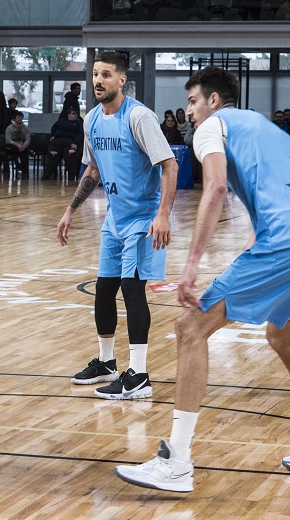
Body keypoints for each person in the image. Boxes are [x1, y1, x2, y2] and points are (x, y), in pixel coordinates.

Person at [115, 65, 290, 492]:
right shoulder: (265, 126)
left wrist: (191, 266)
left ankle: (176, 462)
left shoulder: (214, 127)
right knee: (281, 335)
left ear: (213, 101)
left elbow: (213, 190)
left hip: (283, 243)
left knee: (190, 326)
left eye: (193, 101)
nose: (189, 111)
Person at [57, 51, 178, 400]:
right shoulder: (91, 119)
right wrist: (70, 210)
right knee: (104, 288)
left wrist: (164, 215)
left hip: (143, 218)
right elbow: (93, 170)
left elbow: (169, 166)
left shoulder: (138, 117)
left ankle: (138, 375)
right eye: (95, 74)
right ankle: (107, 363)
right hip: (114, 219)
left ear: (121, 80)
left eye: (106, 75)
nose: (98, 80)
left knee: (131, 287)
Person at [44, 107, 84, 180]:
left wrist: (75, 142)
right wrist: (52, 135)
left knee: (70, 155)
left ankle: (71, 175)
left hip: (70, 142)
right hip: (58, 140)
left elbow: (80, 134)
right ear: (68, 115)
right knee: (52, 155)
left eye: (76, 114)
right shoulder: (62, 121)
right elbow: (54, 127)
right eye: (73, 114)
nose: (75, 115)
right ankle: (48, 174)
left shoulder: (79, 123)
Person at [4, 110, 31, 178]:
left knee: (24, 152)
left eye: (21, 117)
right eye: (18, 117)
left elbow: (28, 138)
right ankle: (18, 167)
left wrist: (24, 146)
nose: (20, 119)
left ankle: (24, 173)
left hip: (22, 146)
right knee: (13, 149)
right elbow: (8, 140)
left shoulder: (25, 128)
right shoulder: (9, 128)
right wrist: (17, 145)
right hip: (12, 145)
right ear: (14, 118)